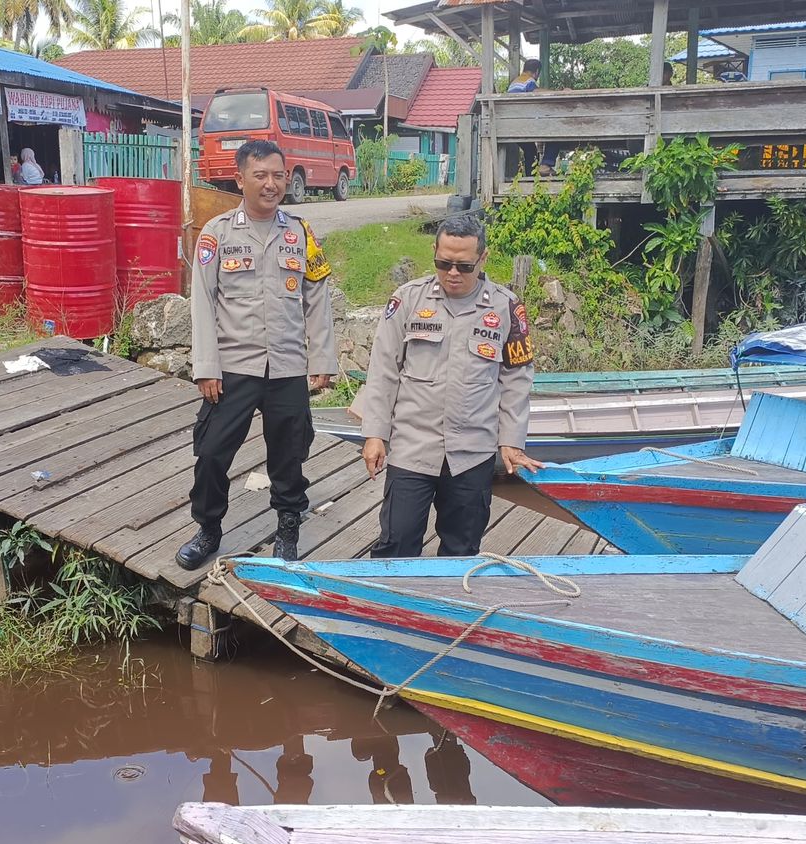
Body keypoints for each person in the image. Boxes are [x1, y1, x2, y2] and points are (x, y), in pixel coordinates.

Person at [177, 140, 337, 570]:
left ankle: (288, 528)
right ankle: (208, 528)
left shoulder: (300, 234)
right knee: (212, 452)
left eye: (278, 175)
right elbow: (203, 304)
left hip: (286, 366)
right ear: (240, 177)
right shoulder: (216, 234)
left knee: (289, 454)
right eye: (261, 175)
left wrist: (322, 358)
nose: (271, 184)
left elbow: (317, 298)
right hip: (233, 367)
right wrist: (206, 368)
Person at [358, 214, 540, 558]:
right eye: (443, 263)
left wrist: (511, 442)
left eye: (464, 266)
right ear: (434, 252)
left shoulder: (507, 308)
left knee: (462, 549)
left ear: (483, 258)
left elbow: (516, 379)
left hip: (472, 452)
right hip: (413, 447)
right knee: (396, 543)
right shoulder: (407, 300)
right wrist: (374, 434)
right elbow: (383, 370)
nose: (452, 273)